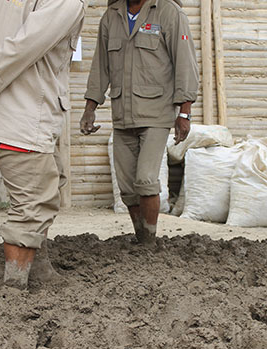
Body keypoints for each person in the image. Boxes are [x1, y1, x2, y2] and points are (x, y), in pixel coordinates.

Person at [0, 0, 86, 289]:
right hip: (23, 109)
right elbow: (24, 46)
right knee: (33, 202)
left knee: (50, 180)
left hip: (10, 105)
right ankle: (12, 292)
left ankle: (39, 270)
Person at [80, 0, 199, 248]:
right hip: (122, 114)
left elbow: (185, 63)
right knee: (127, 188)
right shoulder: (111, 17)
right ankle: (141, 237)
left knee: (145, 180)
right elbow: (100, 66)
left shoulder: (169, 13)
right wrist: (90, 108)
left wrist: (184, 113)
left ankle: (149, 241)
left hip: (156, 113)